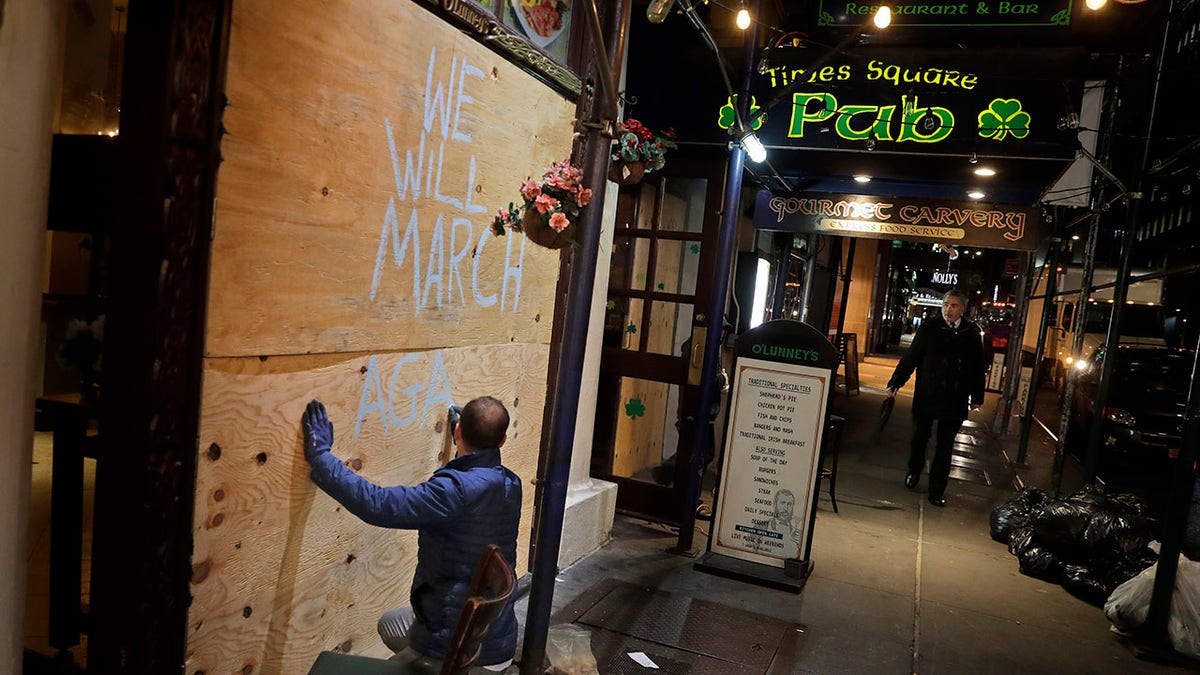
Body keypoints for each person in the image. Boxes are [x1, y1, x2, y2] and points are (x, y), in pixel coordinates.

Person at [301, 396, 522, 671]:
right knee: (390, 623)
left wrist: (321, 459)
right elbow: (476, 473)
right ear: (502, 442)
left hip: (457, 647)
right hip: (497, 635)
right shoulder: (511, 483)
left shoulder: (451, 493)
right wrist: (465, 433)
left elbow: (378, 504)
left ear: (457, 433)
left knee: (393, 637)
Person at [886, 289, 984, 507]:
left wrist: (977, 395)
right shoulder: (930, 328)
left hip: (956, 396)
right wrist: (895, 382)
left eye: (954, 305)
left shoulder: (971, 332)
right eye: (946, 304)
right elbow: (912, 357)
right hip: (928, 393)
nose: (948, 309)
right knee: (920, 437)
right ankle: (914, 469)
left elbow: (978, 366)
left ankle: (937, 489)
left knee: (945, 445)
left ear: (963, 308)